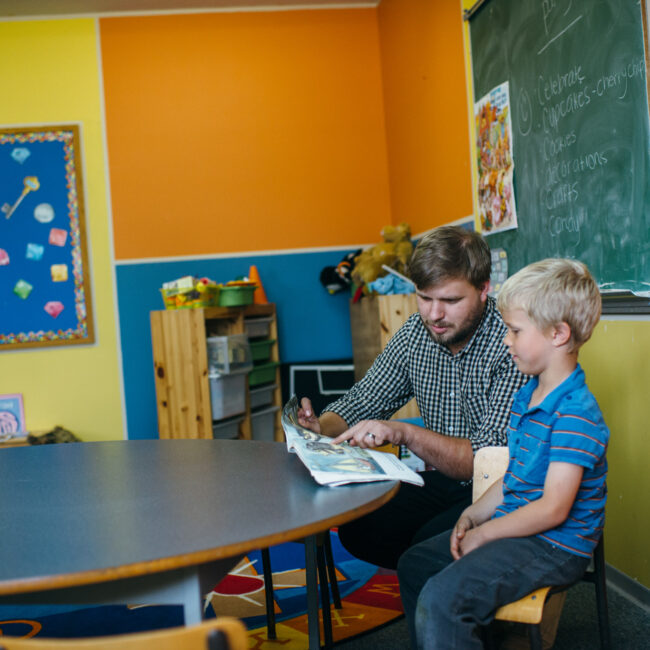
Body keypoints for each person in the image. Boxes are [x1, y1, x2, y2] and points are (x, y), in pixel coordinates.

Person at [397, 258, 609, 649]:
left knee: (443, 599)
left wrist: (488, 532)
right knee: (415, 565)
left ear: (558, 334)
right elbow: (515, 476)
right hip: (519, 527)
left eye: (514, 330)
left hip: (554, 545)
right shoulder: (528, 394)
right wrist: (473, 514)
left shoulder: (576, 413)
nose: (505, 339)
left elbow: (553, 509)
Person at [297, 225, 527, 569]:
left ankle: (451, 586)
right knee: (360, 526)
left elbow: (483, 461)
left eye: (450, 300)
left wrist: (404, 432)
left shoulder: (512, 343)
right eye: (424, 297)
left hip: (503, 489)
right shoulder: (415, 334)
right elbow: (362, 400)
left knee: (426, 551)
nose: (434, 315)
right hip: (445, 483)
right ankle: (443, 583)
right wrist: (319, 427)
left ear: (483, 290)